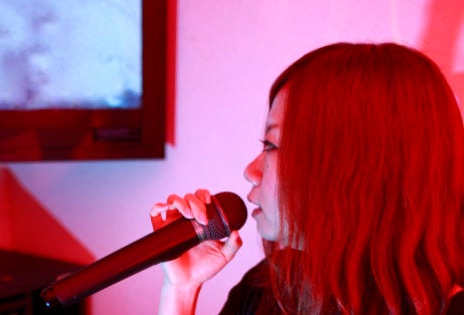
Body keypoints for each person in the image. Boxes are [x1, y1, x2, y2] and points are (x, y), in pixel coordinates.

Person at [150, 42, 464, 314]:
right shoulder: (268, 291)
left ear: (352, 166)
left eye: (272, 145)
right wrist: (181, 291)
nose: (251, 170)